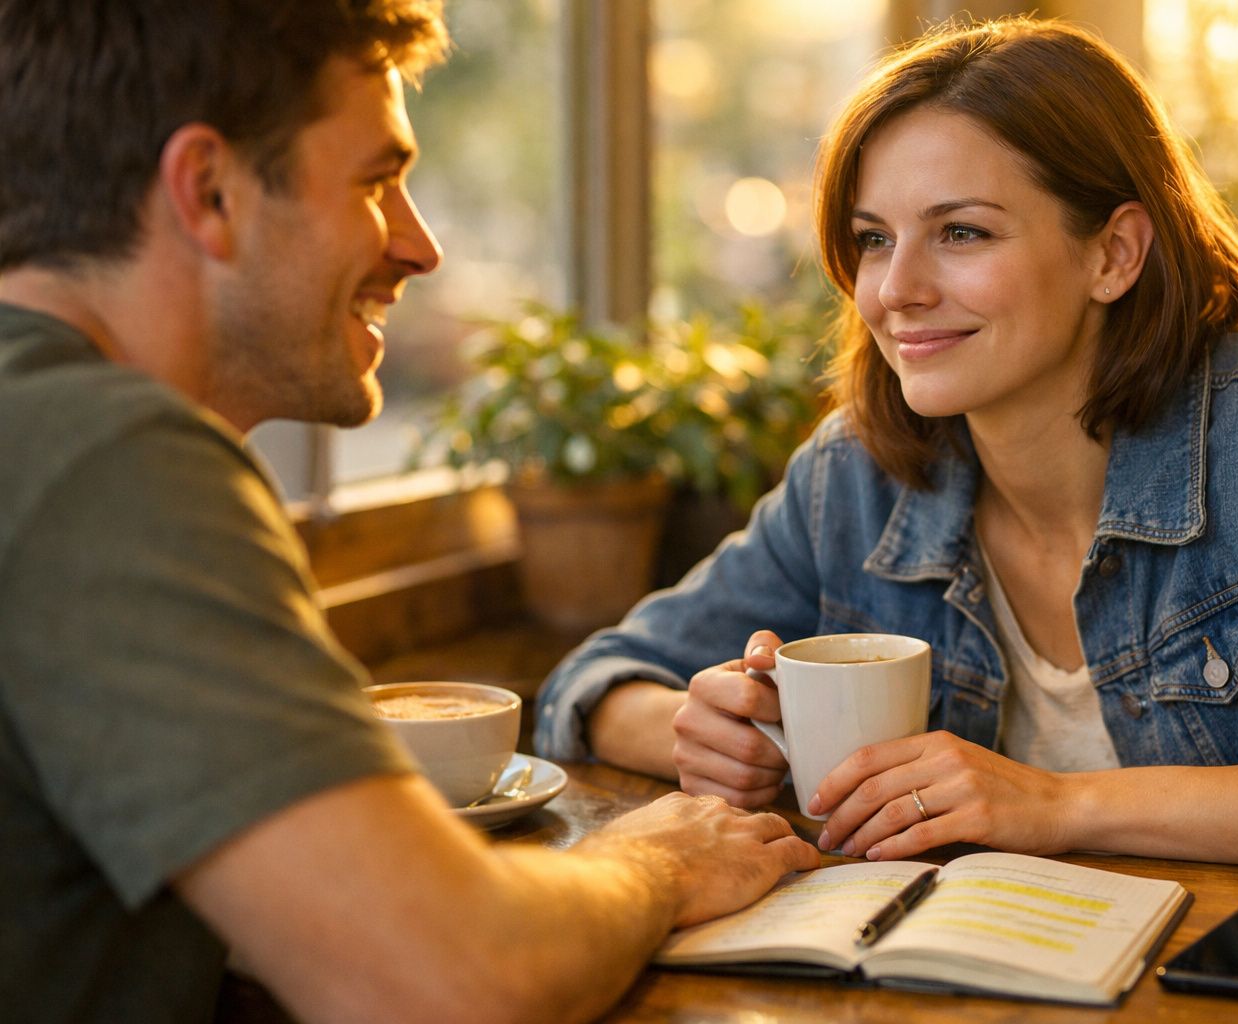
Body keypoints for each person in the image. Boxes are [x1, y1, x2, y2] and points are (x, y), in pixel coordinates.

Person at [536, 15, 1238, 884]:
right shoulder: (855, 476)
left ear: (1113, 253)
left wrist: (1060, 804)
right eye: (874, 238)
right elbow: (592, 680)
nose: (894, 290)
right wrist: (695, 733)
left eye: (962, 233)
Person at [0, 2, 819, 1022]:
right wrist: (652, 864)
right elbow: (451, 977)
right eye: (378, 181)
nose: (419, 246)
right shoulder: (104, 459)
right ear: (208, 191)